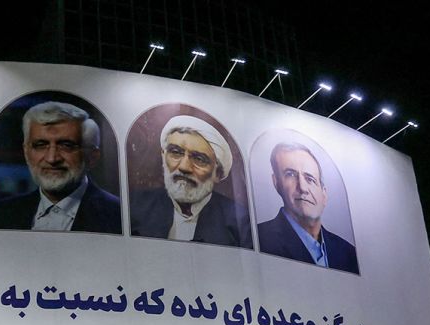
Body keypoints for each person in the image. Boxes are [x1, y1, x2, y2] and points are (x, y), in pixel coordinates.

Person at [0, 101, 121, 234]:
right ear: (26, 152)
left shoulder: (119, 216)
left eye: (66, 145)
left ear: (92, 157)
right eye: (41, 145)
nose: (52, 159)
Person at [129, 115, 250, 247]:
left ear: (218, 174)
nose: (184, 167)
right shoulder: (136, 205)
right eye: (176, 152)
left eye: (199, 159)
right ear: (163, 157)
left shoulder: (239, 222)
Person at [255, 140, 360, 273]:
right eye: (290, 175)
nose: (303, 188)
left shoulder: (348, 252)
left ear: (324, 195)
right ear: (276, 183)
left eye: (310, 179)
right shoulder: (259, 238)